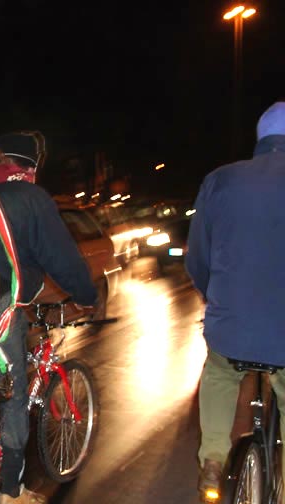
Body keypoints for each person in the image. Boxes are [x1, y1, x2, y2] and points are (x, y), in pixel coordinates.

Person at [0, 130, 98, 504]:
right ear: (32, 166)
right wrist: (86, 296)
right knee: (14, 391)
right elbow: (61, 256)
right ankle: (12, 490)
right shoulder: (31, 197)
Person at [186, 101, 285, 500]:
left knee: (220, 372)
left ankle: (213, 459)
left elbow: (198, 257)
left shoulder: (220, 180)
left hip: (232, 324)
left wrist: (216, 297)